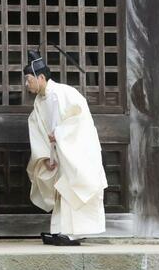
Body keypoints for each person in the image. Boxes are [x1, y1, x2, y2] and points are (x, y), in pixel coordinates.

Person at [24, 51, 108, 246]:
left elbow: (80, 121)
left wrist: (60, 134)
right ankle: (62, 230)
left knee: (75, 187)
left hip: (77, 151)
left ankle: (76, 232)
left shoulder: (65, 93)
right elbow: (38, 131)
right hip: (60, 153)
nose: (27, 85)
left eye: (29, 80)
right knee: (62, 190)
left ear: (41, 77)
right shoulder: (39, 102)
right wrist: (46, 156)